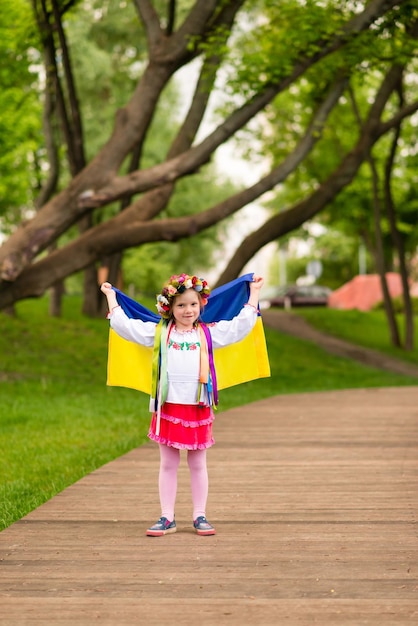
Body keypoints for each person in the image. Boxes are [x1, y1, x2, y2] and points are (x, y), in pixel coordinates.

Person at [101, 273, 264, 537]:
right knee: (167, 463)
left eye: (193, 304)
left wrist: (254, 292)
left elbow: (239, 327)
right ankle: (167, 517)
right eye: (180, 305)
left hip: (198, 406)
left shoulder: (209, 334)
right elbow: (127, 327)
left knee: (198, 463)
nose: (187, 310)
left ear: (201, 305)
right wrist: (111, 297)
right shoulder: (159, 334)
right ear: (169, 308)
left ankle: (200, 515)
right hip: (167, 407)